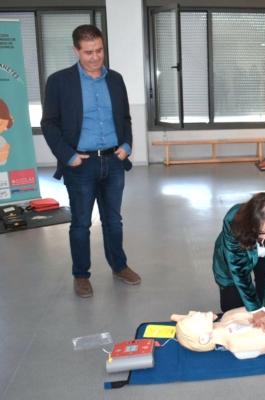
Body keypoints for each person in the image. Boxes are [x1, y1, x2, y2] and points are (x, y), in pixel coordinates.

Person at [41, 25, 140, 298]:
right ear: (76, 51)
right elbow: (49, 124)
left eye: (99, 50)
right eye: (88, 52)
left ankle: (119, 266)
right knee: (81, 223)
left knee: (114, 221)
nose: (95, 57)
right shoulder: (60, 81)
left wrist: (126, 146)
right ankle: (81, 275)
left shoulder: (116, 79)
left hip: (113, 161)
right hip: (81, 165)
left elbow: (125, 119)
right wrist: (69, 156)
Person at [212, 192, 265, 333]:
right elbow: (238, 269)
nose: (262, 237)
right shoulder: (233, 220)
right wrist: (255, 309)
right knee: (232, 309)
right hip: (236, 254)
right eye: (258, 231)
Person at [170, 305, 265, 359]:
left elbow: (264, 309)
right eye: (194, 319)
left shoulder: (228, 316)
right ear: (203, 339)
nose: (196, 313)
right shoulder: (238, 345)